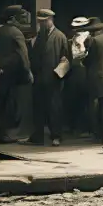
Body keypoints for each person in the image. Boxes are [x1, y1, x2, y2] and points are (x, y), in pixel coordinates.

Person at [27, 8, 69, 146]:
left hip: (54, 78)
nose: (41, 25)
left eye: (43, 22)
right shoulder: (40, 36)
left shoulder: (60, 36)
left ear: (50, 21)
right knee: (38, 108)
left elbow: (66, 58)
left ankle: (56, 136)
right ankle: (37, 136)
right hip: (39, 78)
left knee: (54, 108)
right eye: (40, 22)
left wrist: (58, 73)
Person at [0, 5, 32, 144]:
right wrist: (27, 71)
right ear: (12, 19)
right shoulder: (16, 32)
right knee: (12, 104)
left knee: (1, 104)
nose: (22, 20)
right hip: (13, 74)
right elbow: (23, 54)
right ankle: (7, 133)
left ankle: (0, 133)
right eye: (20, 17)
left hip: (1, 71)